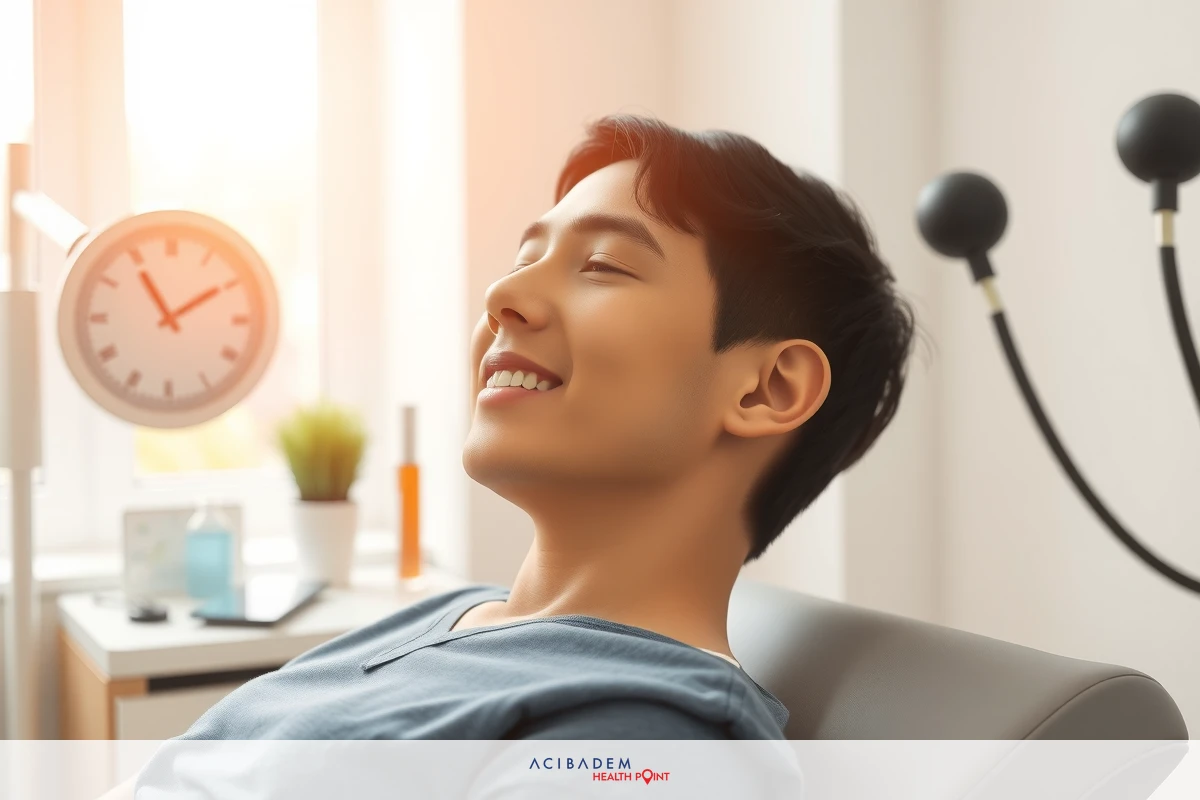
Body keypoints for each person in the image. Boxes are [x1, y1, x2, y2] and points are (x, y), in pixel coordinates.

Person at [130, 113, 917, 782]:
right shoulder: (452, 616)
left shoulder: (644, 739)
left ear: (766, 389)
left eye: (603, 265)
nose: (502, 297)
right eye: (522, 259)